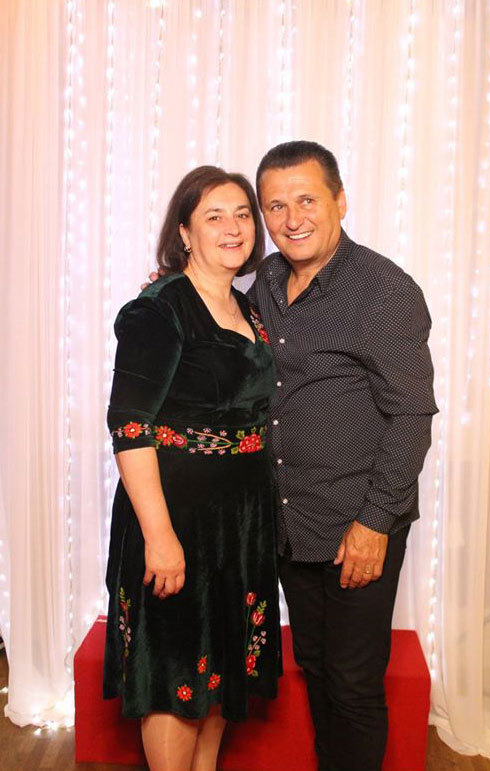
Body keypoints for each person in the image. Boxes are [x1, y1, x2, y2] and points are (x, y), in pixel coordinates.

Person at [247, 140, 438, 771]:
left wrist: (374, 523)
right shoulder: (265, 282)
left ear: (340, 201)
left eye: (307, 200)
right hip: (290, 519)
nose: (292, 219)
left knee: (353, 684)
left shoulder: (384, 290)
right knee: (315, 665)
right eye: (276, 206)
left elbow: (412, 414)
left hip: (357, 523)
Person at [103, 166, 281, 771]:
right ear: (184, 232)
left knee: (218, 667)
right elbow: (130, 426)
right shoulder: (160, 309)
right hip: (178, 517)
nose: (233, 228)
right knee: (175, 672)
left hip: (240, 522)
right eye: (214, 216)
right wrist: (159, 537)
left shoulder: (246, 307)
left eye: (242, 215)